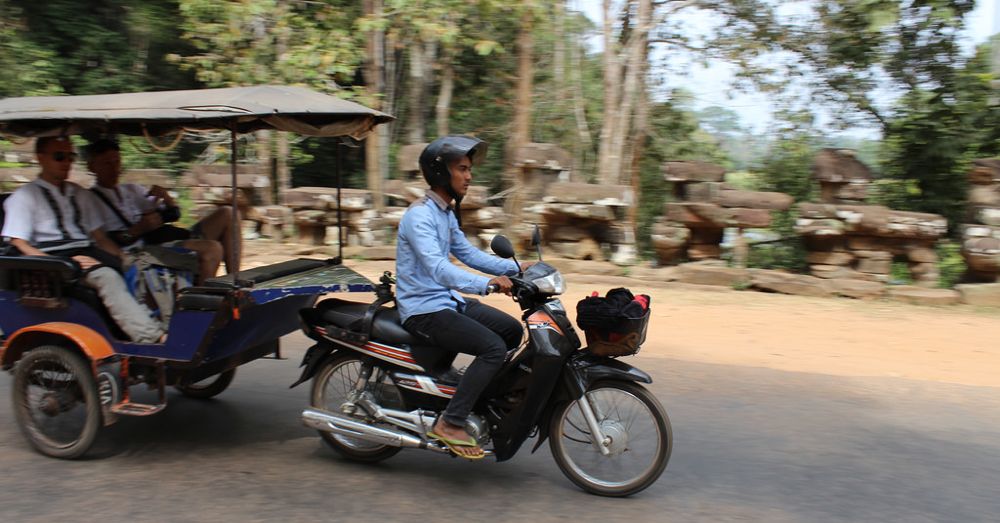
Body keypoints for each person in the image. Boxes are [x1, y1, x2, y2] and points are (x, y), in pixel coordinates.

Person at [396, 135, 532, 460]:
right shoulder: (420, 216)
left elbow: (469, 254)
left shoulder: (444, 213)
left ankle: (479, 397)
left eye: (469, 169)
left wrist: (517, 266)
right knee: (492, 348)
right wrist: (490, 285)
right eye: (462, 169)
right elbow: (439, 268)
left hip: (447, 301)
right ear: (441, 172)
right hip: (423, 309)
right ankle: (451, 421)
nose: (469, 176)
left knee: (512, 331)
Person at [1, 137, 165, 343]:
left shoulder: (78, 193)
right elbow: (19, 243)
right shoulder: (25, 196)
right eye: (59, 157)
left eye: (70, 157)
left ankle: (158, 322)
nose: (66, 163)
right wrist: (66, 264)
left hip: (86, 251)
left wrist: (125, 257)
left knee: (143, 267)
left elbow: (98, 236)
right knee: (108, 277)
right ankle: (151, 337)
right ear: (40, 158)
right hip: (53, 261)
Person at [84, 139, 240, 281]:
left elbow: (173, 215)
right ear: (92, 166)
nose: (115, 169)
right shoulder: (90, 200)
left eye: (117, 162)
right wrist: (137, 230)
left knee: (228, 213)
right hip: (141, 250)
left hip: (163, 238)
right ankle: (200, 302)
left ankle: (236, 279)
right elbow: (104, 241)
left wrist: (167, 199)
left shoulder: (131, 190)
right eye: (107, 164)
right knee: (213, 249)